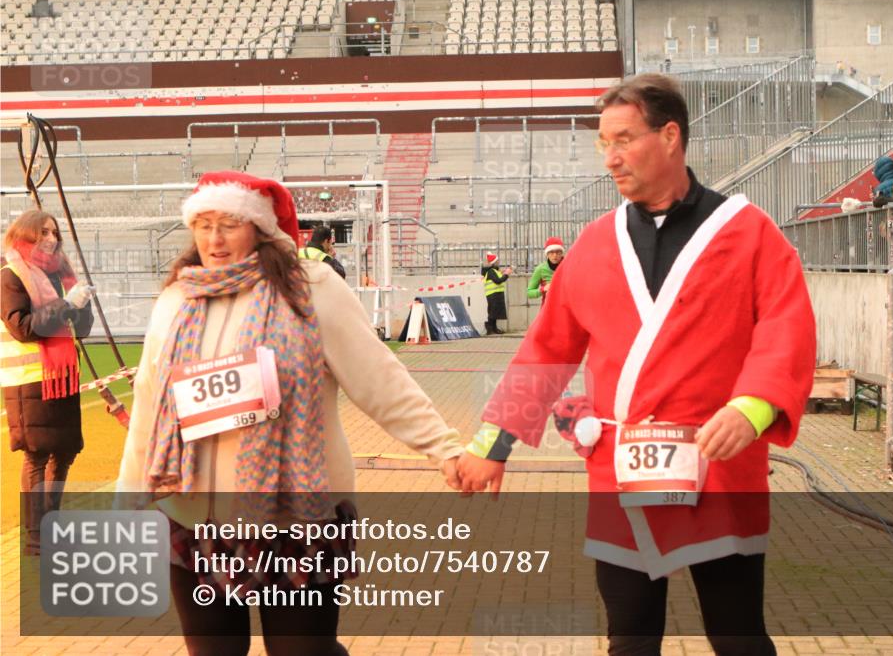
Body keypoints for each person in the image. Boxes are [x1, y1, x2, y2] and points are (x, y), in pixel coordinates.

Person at [457, 73, 816, 655]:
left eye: (623, 139)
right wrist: (490, 446)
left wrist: (752, 408)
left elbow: (786, 326)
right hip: (622, 470)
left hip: (717, 464)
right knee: (628, 636)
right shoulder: (595, 243)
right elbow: (546, 349)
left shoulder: (749, 234)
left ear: (670, 135)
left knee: (738, 635)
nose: (611, 158)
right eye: (603, 143)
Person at [116, 171, 463, 656]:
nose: (214, 240)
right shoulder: (177, 298)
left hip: (294, 521)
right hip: (195, 520)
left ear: (259, 228)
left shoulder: (311, 289)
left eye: (230, 224)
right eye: (204, 224)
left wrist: (443, 448)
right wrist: (128, 502)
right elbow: (152, 405)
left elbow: (380, 376)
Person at [1, 209, 95, 555]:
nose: (51, 239)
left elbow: (82, 331)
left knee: (65, 452)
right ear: (25, 234)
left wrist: (81, 305)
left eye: (54, 232)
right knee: (37, 455)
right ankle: (36, 537)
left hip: (62, 377)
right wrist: (63, 304)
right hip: (30, 381)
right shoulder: (11, 275)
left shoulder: (61, 275)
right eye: (42, 232)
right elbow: (23, 327)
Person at [526, 236, 565, 304]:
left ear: (562, 253)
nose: (555, 255)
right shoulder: (541, 269)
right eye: (551, 252)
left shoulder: (568, 266)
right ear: (547, 254)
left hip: (566, 309)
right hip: (548, 310)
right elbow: (529, 292)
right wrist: (543, 289)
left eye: (558, 252)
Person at [481, 252, 512, 335]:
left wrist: (502, 273)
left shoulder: (494, 271)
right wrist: (506, 274)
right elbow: (498, 281)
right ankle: (489, 329)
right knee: (492, 312)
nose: (498, 263)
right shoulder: (491, 271)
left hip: (496, 294)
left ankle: (494, 328)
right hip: (493, 294)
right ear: (493, 263)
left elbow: (498, 278)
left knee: (495, 313)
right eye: (497, 261)